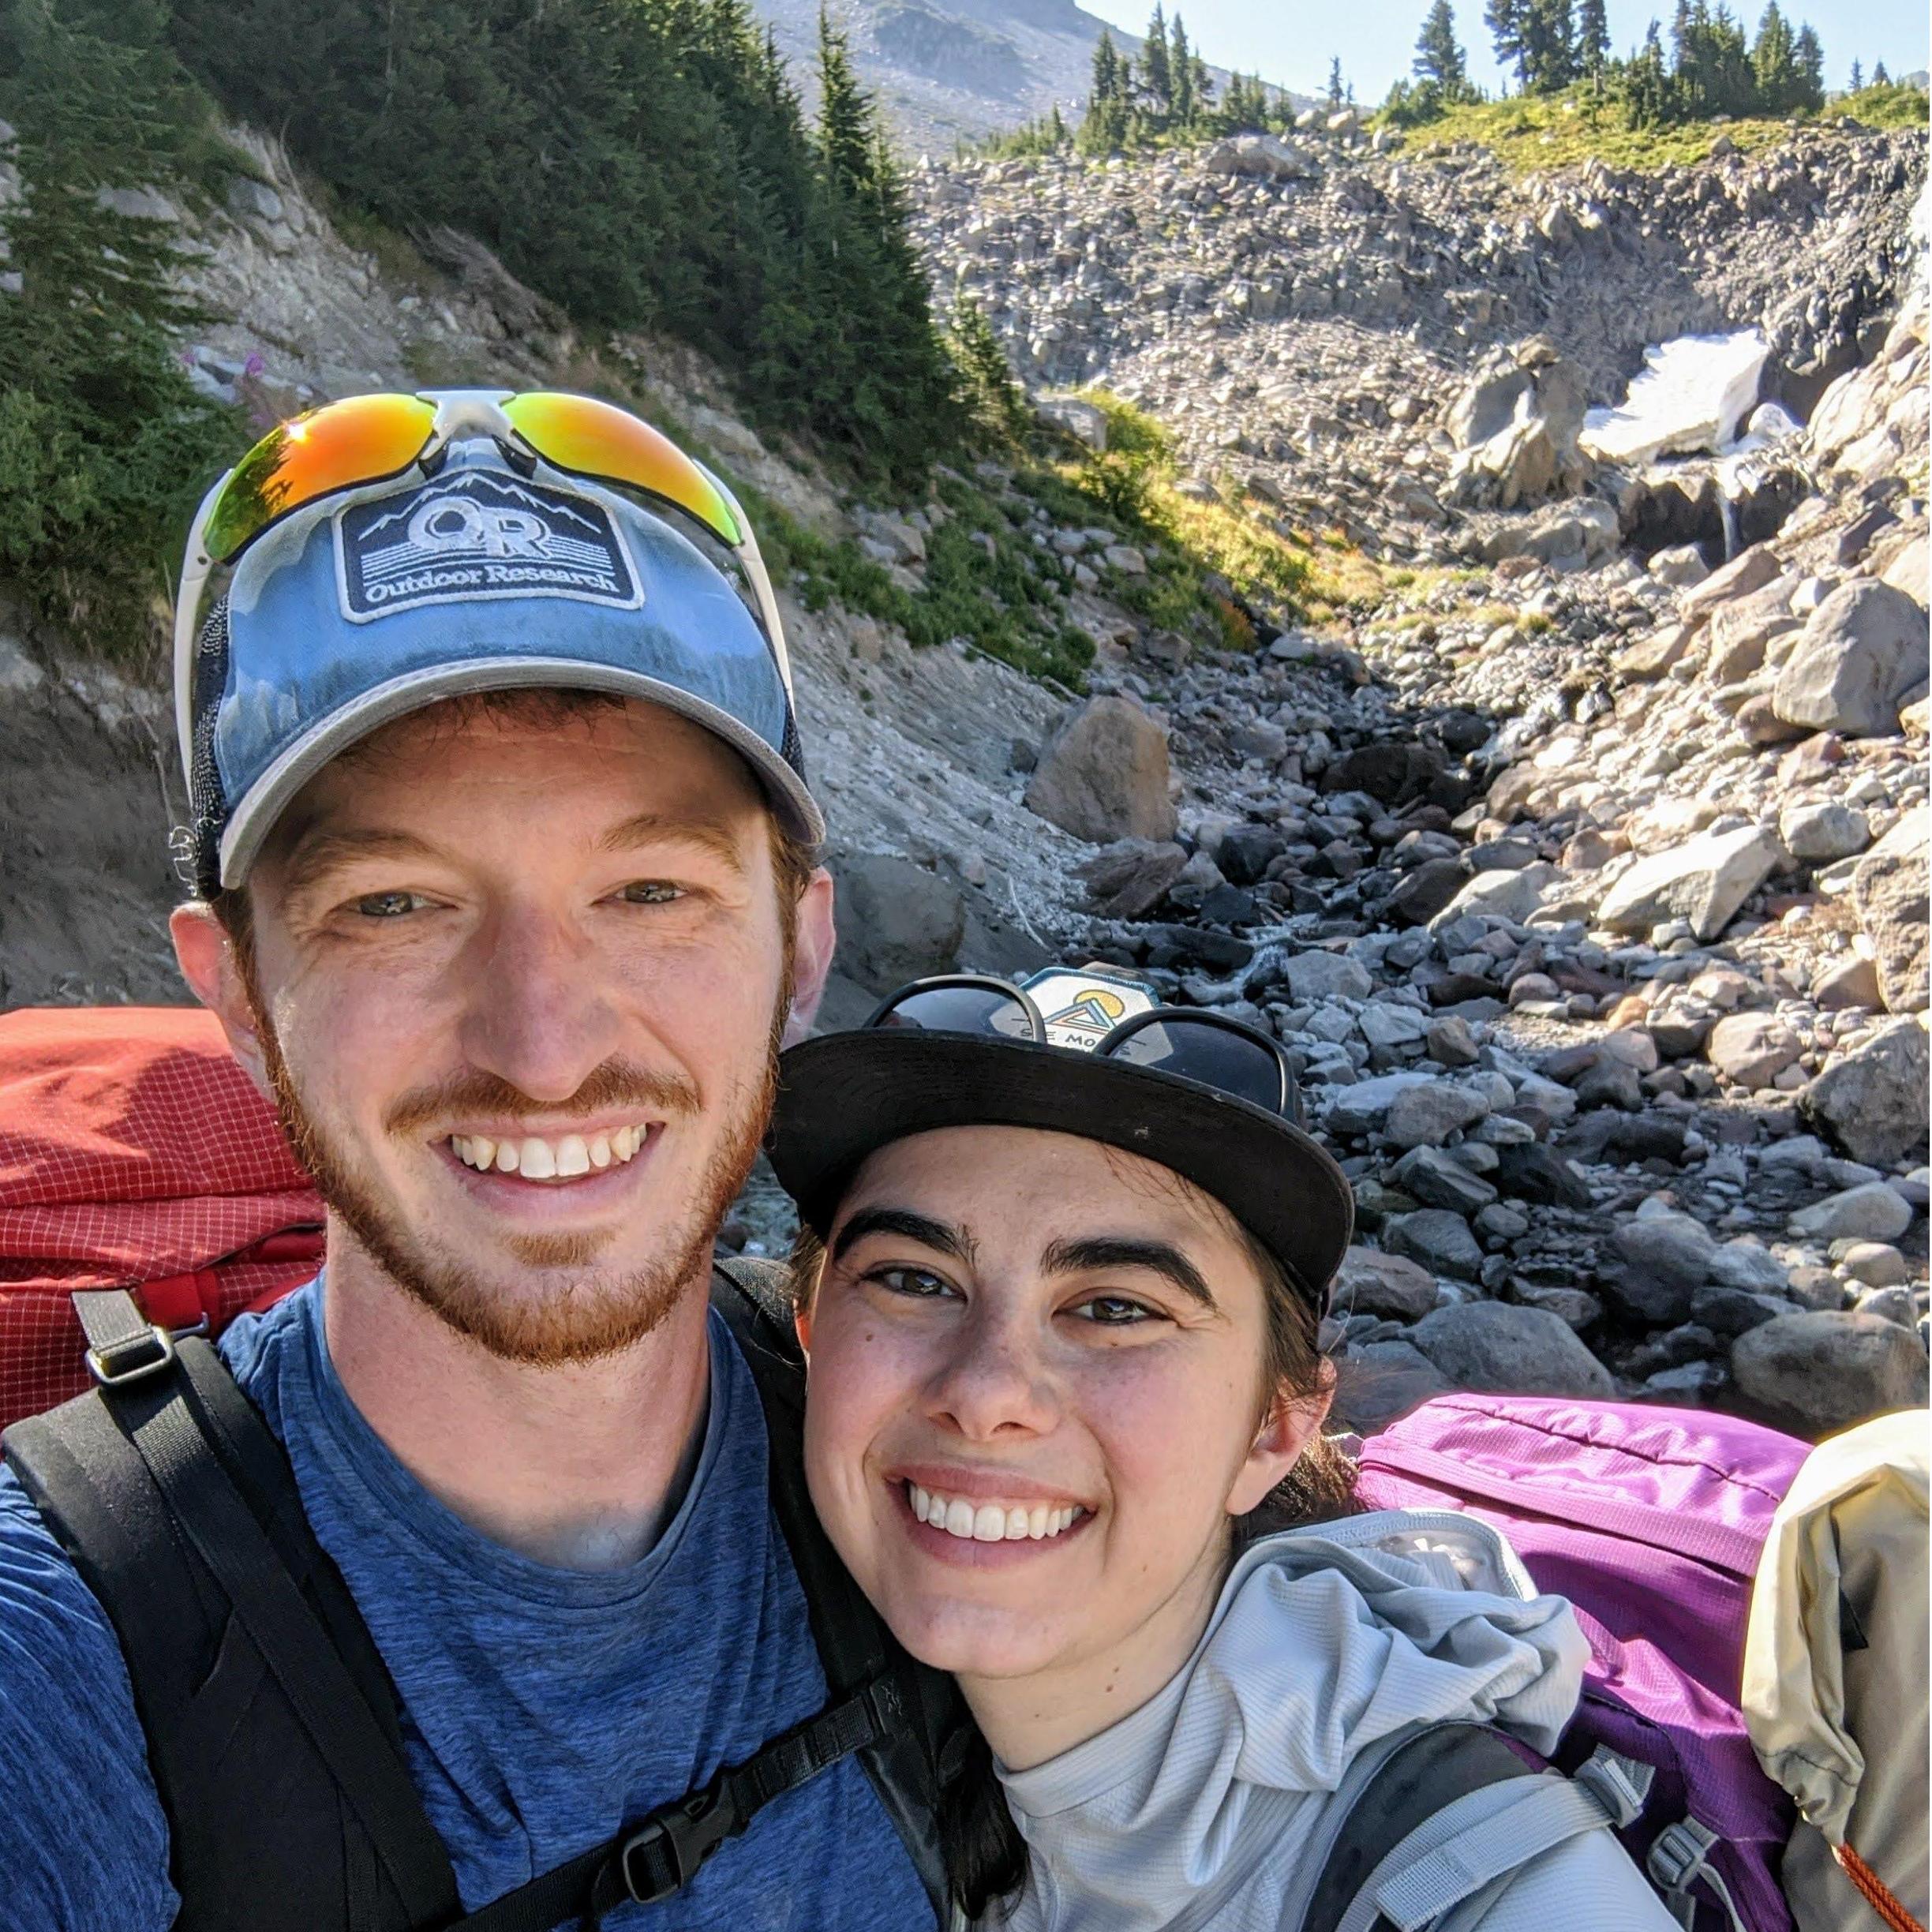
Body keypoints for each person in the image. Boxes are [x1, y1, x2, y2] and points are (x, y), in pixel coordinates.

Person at [0, 391, 950, 1928]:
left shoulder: (943, 1484)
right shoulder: (56, 1656)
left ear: (802, 947)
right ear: (237, 989)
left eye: (648, 889)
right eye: (393, 904)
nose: (544, 1042)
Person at [768, 964, 1680, 1931]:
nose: (987, 1393)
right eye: (914, 1279)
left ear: (1278, 1427)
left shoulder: (1493, 1889)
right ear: (810, 1337)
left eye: (1116, 1308)